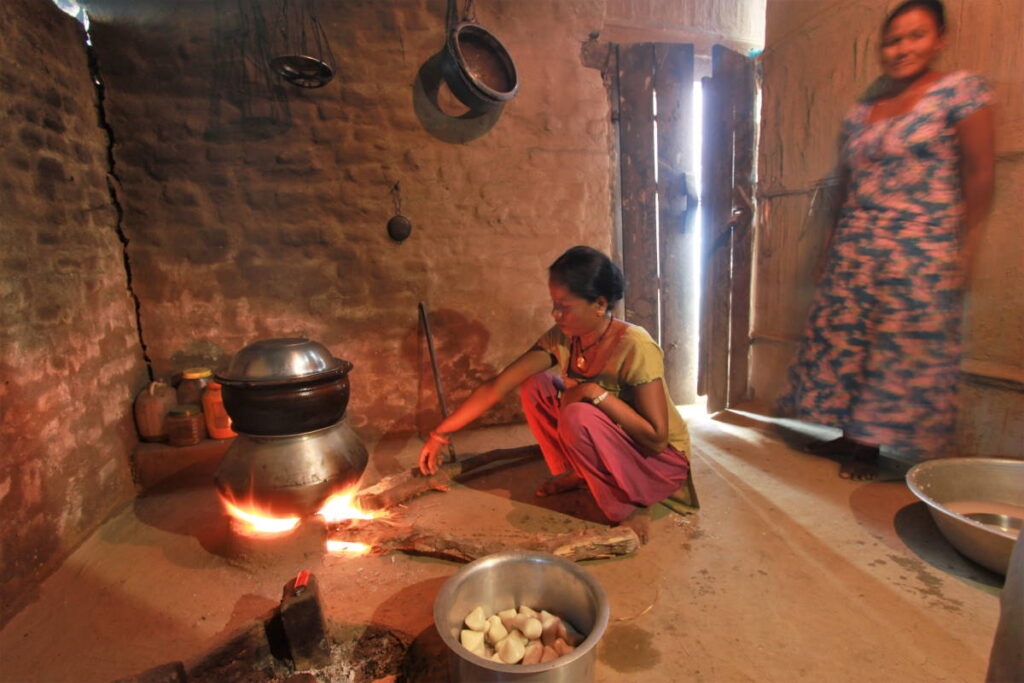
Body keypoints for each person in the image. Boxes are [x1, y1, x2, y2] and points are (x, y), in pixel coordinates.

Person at [778, 0, 995, 480]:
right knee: (846, 342)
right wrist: (830, 245)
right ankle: (851, 437)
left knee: (896, 347)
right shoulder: (864, 110)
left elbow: (980, 175)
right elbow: (845, 184)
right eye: (894, 40)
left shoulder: (959, 93)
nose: (902, 49)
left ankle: (868, 450)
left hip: (919, 247)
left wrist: (967, 246)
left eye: (916, 36)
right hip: (857, 245)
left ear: (939, 38)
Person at [418, 246, 691, 541]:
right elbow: (498, 386)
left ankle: (626, 507)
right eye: (553, 304)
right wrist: (441, 433)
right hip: (614, 440)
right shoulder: (563, 338)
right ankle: (581, 473)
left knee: (579, 412)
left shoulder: (636, 346)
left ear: (599, 304)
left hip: (659, 462)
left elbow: (656, 438)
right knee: (536, 386)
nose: (555, 314)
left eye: (565, 306)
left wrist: (592, 391)